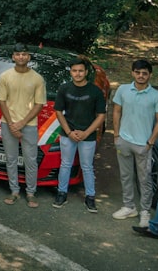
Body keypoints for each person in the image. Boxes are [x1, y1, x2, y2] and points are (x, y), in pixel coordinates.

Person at [111, 58, 158, 227]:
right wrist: (116, 136)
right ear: (132, 73)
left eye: (144, 73)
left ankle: (145, 212)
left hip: (143, 145)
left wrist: (150, 142)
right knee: (125, 176)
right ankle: (129, 207)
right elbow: (116, 112)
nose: (141, 76)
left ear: (150, 75)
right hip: (124, 141)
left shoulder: (156, 96)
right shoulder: (123, 90)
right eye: (138, 72)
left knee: (145, 180)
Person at [53, 56, 106, 212]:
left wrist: (86, 132)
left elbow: (101, 116)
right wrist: (69, 132)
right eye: (74, 71)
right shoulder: (64, 88)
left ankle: (90, 197)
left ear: (86, 72)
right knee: (65, 164)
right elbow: (58, 111)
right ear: (70, 72)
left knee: (87, 166)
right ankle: (61, 193)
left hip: (88, 136)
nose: (77, 74)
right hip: (67, 134)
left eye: (81, 71)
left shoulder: (95, 91)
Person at [0, 44, 46, 208]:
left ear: (29, 57)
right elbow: (1, 101)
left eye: (24, 54)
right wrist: (11, 124)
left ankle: (31, 193)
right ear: (13, 57)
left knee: (30, 160)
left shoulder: (37, 78)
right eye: (18, 54)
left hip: (29, 125)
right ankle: (14, 191)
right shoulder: (5, 76)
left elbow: (39, 104)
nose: (21, 57)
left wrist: (21, 124)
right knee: (10, 159)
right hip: (8, 123)